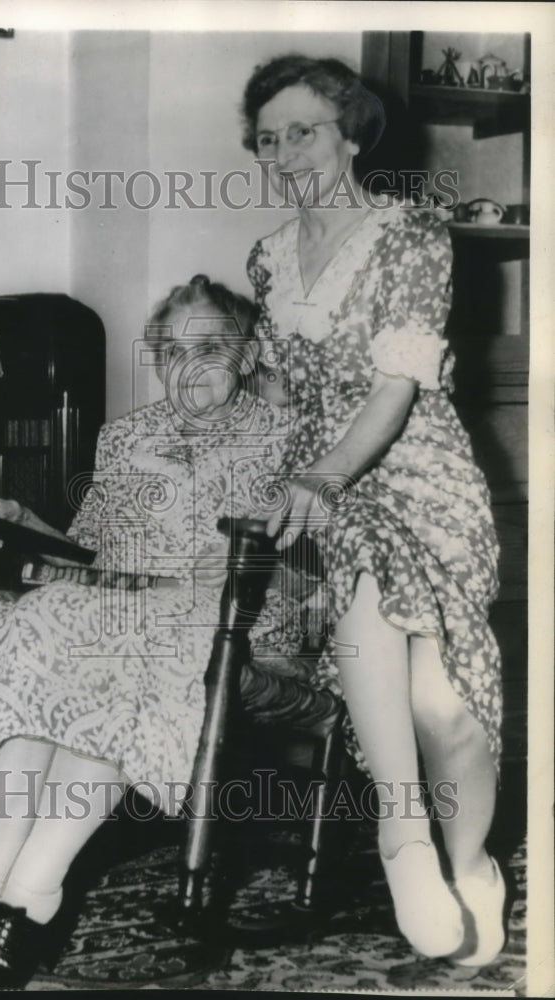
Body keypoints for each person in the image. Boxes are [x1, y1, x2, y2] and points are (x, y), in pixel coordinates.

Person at [0, 275, 292, 989]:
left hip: (219, 605)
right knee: (34, 635)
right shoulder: (126, 437)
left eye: (211, 348)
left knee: (127, 657)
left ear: (247, 357)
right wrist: (24, 521)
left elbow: (291, 550)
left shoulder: (281, 437)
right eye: (170, 352)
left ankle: (30, 895)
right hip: (123, 596)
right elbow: (90, 549)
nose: (190, 369)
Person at [241, 55, 505, 965]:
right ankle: (404, 843)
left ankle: (469, 860)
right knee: (349, 558)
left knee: (447, 709)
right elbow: (277, 392)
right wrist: (273, 475)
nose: (284, 151)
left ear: (351, 133)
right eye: (268, 138)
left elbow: (396, 390)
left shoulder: (413, 237)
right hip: (326, 490)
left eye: (303, 130)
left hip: (420, 476)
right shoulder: (269, 257)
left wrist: (322, 476)